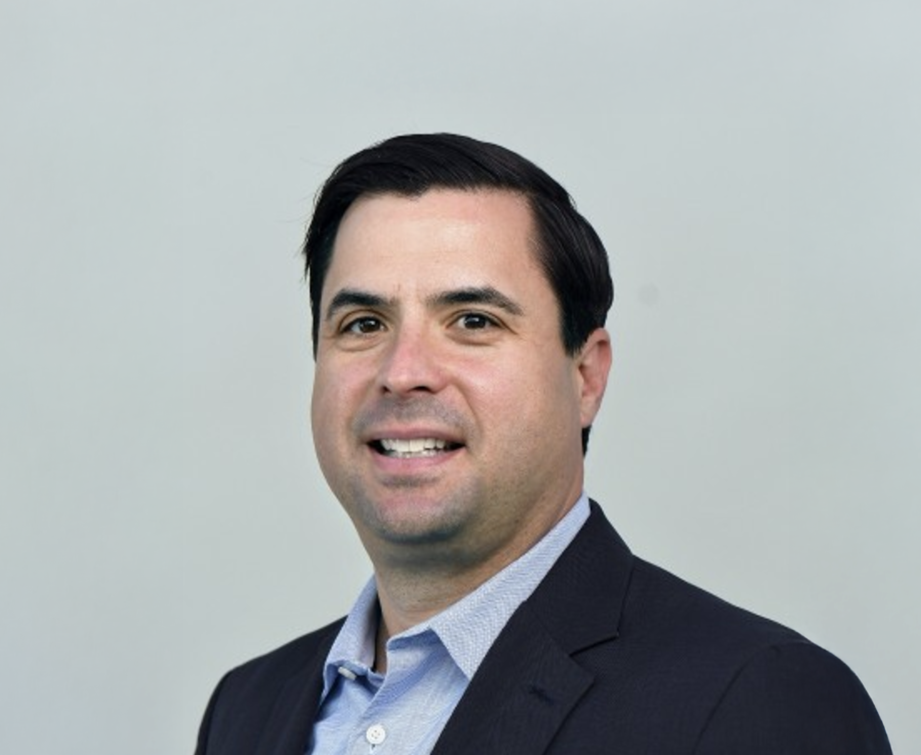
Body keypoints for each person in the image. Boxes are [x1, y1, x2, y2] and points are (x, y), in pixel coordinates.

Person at [195, 133, 891, 754]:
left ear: (585, 375)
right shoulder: (247, 709)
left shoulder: (758, 699)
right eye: (362, 323)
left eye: (471, 319)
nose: (402, 370)